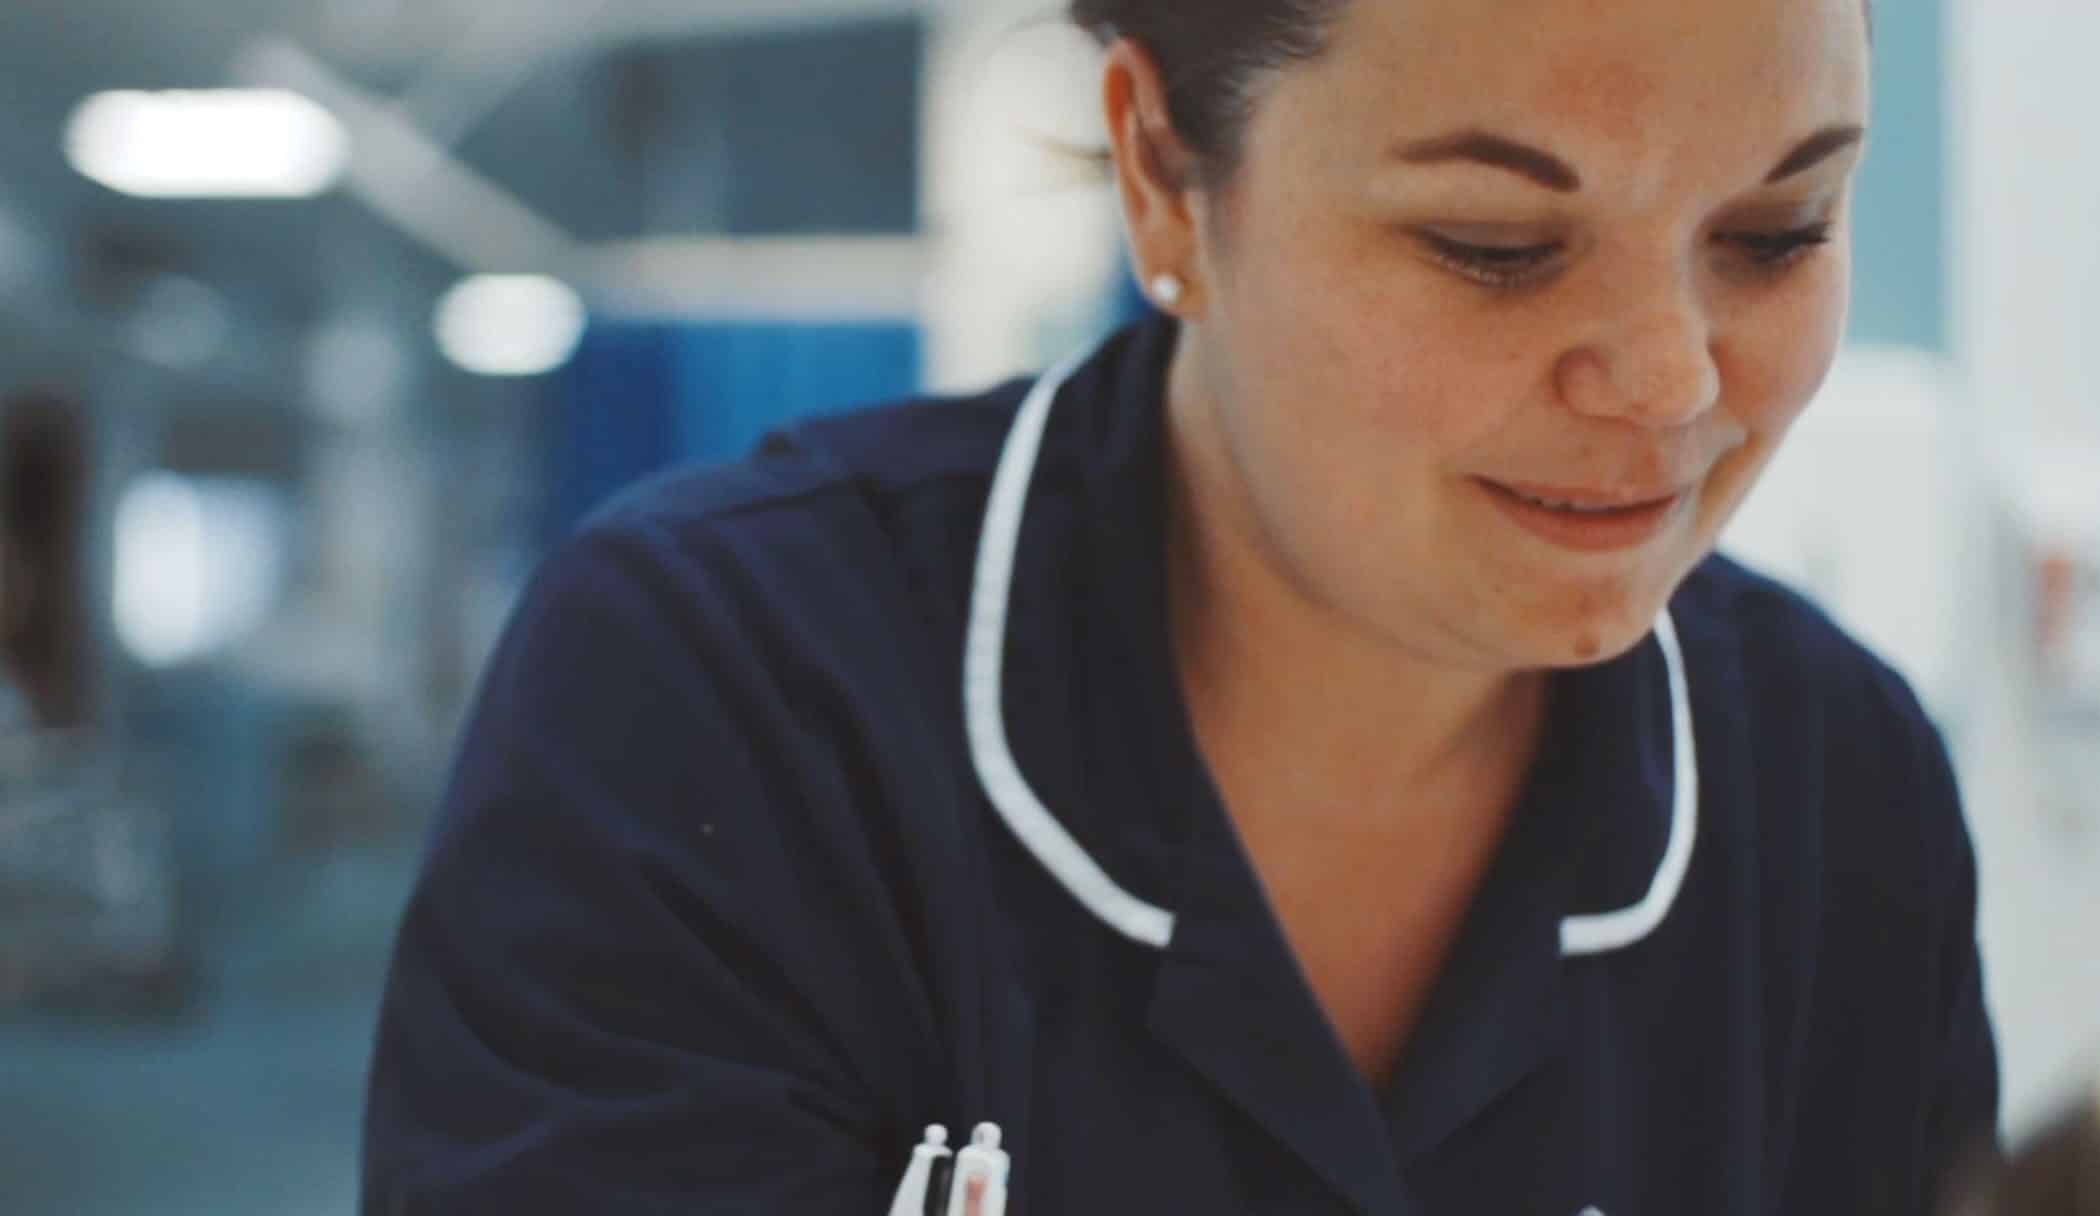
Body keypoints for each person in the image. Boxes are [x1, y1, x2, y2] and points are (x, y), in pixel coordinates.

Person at [362, 0, 2000, 1211]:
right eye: (1495, 243)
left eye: (1777, 233)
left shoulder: (1835, 786)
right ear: (1162, 174)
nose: (1669, 380)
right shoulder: (722, 700)